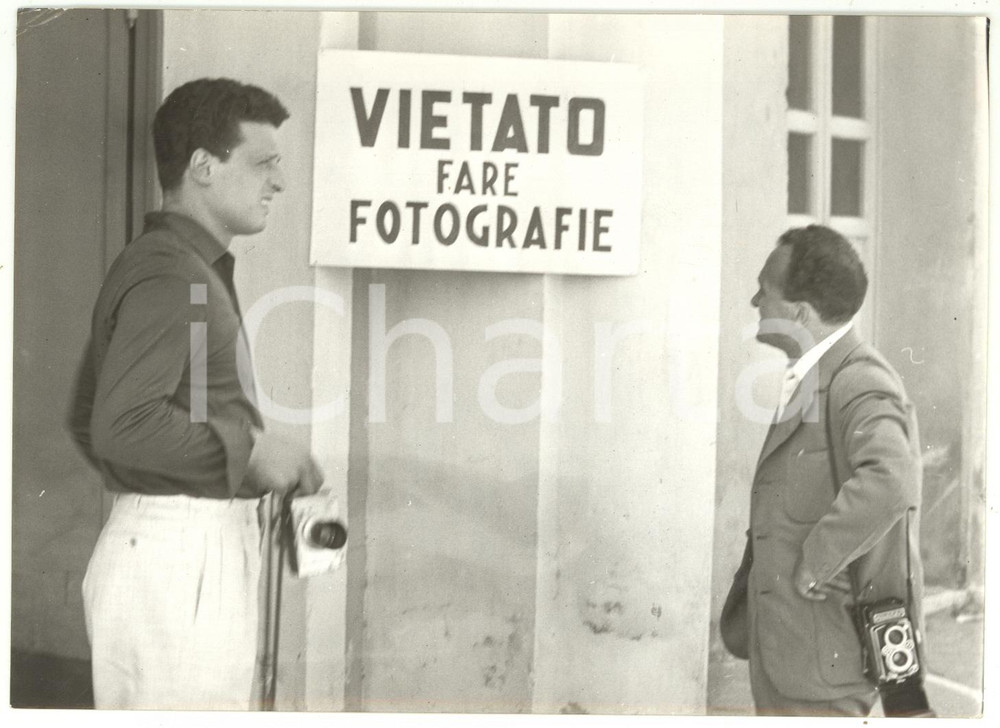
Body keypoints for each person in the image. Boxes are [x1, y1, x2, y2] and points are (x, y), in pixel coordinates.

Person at [68, 78, 323, 710]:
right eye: (263, 163)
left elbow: (88, 418)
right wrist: (248, 455)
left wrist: (228, 470)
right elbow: (119, 427)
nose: (279, 182)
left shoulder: (184, 267)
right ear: (203, 167)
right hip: (179, 560)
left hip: (175, 546)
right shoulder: (169, 272)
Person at [722, 225, 926, 716]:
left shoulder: (858, 378)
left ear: (799, 313)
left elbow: (891, 478)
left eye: (763, 290)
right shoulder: (818, 374)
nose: (754, 300)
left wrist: (817, 560)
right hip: (796, 648)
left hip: (823, 658)